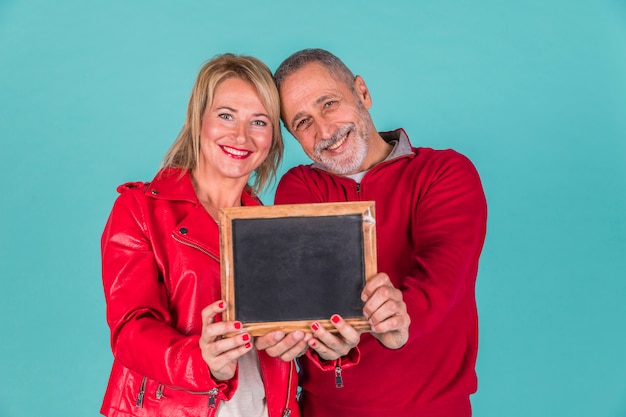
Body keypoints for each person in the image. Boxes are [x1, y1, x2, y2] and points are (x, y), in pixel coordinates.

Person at [258, 48, 488, 416]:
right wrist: (321, 341)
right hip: (326, 409)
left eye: (329, 103)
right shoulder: (300, 186)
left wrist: (403, 316)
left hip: (434, 408)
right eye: (303, 122)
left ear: (362, 92)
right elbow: (310, 296)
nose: (325, 131)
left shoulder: (445, 172)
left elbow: (445, 273)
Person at [100, 54, 300, 417]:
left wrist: (290, 339)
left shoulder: (274, 228)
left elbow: (280, 337)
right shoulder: (139, 209)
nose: (241, 135)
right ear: (199, 120)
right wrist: (200, 360)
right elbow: (131, 329)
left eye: (259, 121)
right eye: (226, 115)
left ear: (273, 137)